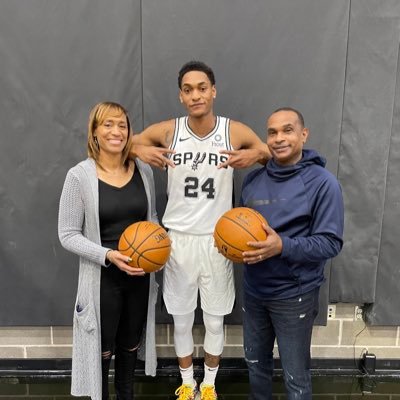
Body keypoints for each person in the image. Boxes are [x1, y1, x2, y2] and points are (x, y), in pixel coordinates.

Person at [131, 61, 270, 400]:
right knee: (180, 321)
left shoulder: (232, 131)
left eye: (202, 88)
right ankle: (187, 383)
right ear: (181, 96)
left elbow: (267, 153)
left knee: (214, 321)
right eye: (189, 90)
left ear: (213, 91)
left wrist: (251, 156)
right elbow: (124, 143)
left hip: (217, 242)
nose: (196, 95)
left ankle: (208, 385)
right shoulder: (169, 130)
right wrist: (140, 149)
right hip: (177, 241)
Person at [240, 107, 344, 400]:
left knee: (296, 378)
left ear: (303, 134)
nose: (279, 138)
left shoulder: (323, 183)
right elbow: (241, 229)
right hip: (254, 291)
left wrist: (282, 245)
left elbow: (330, 243)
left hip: (293, 294)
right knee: (255, 367)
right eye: (272, 132)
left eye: (287, 130)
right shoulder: (252, 181)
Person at [58, 102, 159, 400]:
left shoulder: (143, 171)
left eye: (122, 125)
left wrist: (158, 242)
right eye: (108, 124)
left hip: (139, 278)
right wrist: (108, 255)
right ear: (95, 132)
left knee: (130, 351)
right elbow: (67, 234)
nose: (116, 131)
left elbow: (151, 219)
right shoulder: (79, 176)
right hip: (103, 281)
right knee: (101, 358)